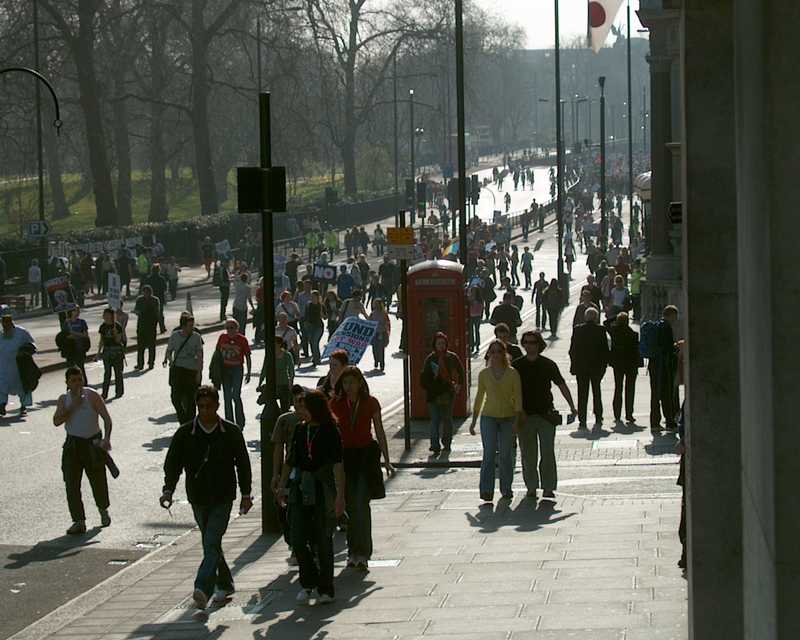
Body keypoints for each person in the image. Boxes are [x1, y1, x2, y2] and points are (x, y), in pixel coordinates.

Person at [161, 386, 252, 611]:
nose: (204, 411)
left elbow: (242, 463)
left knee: (211, 540)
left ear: (217, 406)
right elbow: (173, 464)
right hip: (198, 496)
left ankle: (202, 587)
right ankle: (225, 583)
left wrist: (246, 493)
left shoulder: (230, 431)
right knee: (211, 543)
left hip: (223, 496)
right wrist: (168, 490)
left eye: (208, 407)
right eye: (200, 407)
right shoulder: (185, 433)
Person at [277, 390, 345, 604]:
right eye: (299, 408)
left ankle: (325, 588)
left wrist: (340, 497)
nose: (301, 412)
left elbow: (338, 465)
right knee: (297, 537)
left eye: (304, 408)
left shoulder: (330, 430)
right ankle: (308, 582)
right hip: (299, 488)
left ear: (316, 409)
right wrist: (281, 486)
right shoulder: (299, 429)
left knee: (323, 539)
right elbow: (290, 461)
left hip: (322, 488)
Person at [330, 367, 395, 571]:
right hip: (344, 457)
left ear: (360, 383)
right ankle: (353, 552)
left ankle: (363, 553)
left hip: (365, 455)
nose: (348, 386)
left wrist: (387, 459)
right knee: (350, 506)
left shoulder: (370, 402)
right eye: (345, 382)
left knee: (361, 503)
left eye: (352, 382)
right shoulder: (335, 404)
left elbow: (379, 430)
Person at [514, 331, 576, 501]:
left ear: (539, 344)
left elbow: (561, 385)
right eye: (526, 342)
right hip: (524, 416)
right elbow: (510, 391)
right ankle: (531, 487)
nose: (529, 345)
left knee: (547, 452)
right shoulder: (517, 365)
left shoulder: (548, 364)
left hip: (545, 415)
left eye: (532, 342)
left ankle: (548, 487)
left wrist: (572, 407)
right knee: (528, 454)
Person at [53, 366, 114, 535]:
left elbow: (107, 420)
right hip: (73, 445)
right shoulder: (63, 399)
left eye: (79, 379)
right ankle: (79, 521)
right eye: (73, 380)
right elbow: (56, 421)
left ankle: (103, 509)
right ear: (67, 383)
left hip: (92, 443)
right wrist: (73, 407)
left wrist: (106, 439)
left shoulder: (92, 395)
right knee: (71, 483)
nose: (77, 383)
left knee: (98, 480)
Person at [469, 340, 522, 503]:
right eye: (493, 352)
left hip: (508, 418)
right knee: (489, 454)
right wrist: (474, 420)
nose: (496, 355)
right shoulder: (484, 374)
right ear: (489, 354)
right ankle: (486, 490)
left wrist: (517, 419)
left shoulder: (512, 373)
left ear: (504, 353)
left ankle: (506, 488)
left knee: (506, 455)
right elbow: (479, 397)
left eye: (499, 351)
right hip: (489, 417)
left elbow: (518, 397)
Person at [270, 384, 306, 565]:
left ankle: (301, 546)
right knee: (284, 511)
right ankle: (293, 543)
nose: (299, 408)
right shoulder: (284, 420)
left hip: (308, 473)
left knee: (300, 510)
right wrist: (275, 475)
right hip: (289, 472)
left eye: (302, 403)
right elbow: (278, 448)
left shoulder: (315, 421)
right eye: (296, 403)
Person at [420, 332, 464, 455]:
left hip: (448, 393)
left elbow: (461, 371)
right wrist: (430, 382)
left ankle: (447, 442)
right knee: (434, 420)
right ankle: (434, 445)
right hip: (433, 394)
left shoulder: (452, 357)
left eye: (443, 343)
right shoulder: (430, 359)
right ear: (434, 344)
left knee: (447, 419)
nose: (441, 346)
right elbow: (423, 378)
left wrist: (459, 385)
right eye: (439, 343)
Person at [568, 307, 610, 430]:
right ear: (596, 317)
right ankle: (598, 416)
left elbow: (573, 349)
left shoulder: (578, 330)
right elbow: (605, 350)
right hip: (596, 367)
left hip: (581, 367)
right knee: (597, 392)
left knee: (582, 393)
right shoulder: (601, 330)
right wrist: (604, 365)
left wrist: (573, 365)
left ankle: (582, 420)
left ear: (586, 317)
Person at [164, 315, 204, 425]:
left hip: (191, 371)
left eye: (193, 325)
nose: (192, 327)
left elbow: (200, 355)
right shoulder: (175, 336)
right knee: (175, 398)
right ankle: (183, 420)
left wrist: (199, 372)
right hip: (178, 370)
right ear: (183, 326)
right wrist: (170, 361)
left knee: (191, 399)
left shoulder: (196, 337)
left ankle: (190, 423)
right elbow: (169, 351)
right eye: (190, 325)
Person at [648, 305, 680, 432]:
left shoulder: (657, 325)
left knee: (655, 394)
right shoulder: (666, 327)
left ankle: (654, 423)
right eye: (675, 316)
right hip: (663, 365)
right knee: (666, 393)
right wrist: (676, 348)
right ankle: (670, 422)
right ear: (670, 315)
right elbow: (668, 348)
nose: (675, 319)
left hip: (653, 364)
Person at [215, 319, 252, 428]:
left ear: (237, 328)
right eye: (227, 328)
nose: (229, 330)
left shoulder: (242, 339)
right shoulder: (222, 337)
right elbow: (217, 353)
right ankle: (229, 422)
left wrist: (249, 372)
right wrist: (215, 371)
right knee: (227, 397)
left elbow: (248, 356)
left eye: (231, 328)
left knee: (235, 395)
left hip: (237, 369)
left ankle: (240, 422)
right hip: (225, 369)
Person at [607, 312, 641, 424]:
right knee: (630, 389)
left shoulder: (614, 332)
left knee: (618, 388)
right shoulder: (634, 334)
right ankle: (629, 414)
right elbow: (637, 350)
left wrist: (616, 316)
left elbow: (606, 322)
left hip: (618, 364)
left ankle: (617, 414)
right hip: (631, 365)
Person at [0, 313, 36, 416]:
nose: (5, 325)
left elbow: (32, 345)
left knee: (22, 386)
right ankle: (2, 405)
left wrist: (24, 351)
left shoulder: (21, 332)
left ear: (11, 322)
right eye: (3, 323)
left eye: (7, 323)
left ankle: (23, 406)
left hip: (19, 366)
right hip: (3, 365)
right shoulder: (1, 334)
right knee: (1, 386)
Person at [259, 337, 296, 413]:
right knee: (270, 406)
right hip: (272, 383)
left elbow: (291, 370)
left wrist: (290, 382)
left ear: (279, 344)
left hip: (284, 383)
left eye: (274, 343)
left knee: (284, 407)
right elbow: (264, 369)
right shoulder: (269, 355)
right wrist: (260, 382)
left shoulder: (287, 355)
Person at [96, 308, 125, 399]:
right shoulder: (103, 327)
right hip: (107, 351)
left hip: (116, 351)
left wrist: (116, 333)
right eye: (104, 315)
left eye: (107, 315)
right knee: (107, 373)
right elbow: (102, 341)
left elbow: (118, 340)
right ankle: (104, 393)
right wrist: (98, 352)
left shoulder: (117, 326)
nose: (105, 316)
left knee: (118, 372)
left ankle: (119, 391)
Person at [133, 285, 160, 370]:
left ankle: (151, 363)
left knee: (151, 346)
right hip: (141, 326)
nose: (146, 294)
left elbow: (157, 312)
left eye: (148, 292)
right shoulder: (139, 300)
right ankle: (140, 364)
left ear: (151, 293)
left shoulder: (155, 300)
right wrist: (137, 312)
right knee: (140, 347)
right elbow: (136, 310)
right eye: (145, 292)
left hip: (151, 325)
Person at [64, 306, 90, 383]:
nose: (77, 312)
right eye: (75, 310)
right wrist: (74, 335)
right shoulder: (67, 323)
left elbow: (85, 335)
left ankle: (84, 384)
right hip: (70, 349)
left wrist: (74, 334)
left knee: (80, 367)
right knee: (70, 368)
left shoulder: (82, 322)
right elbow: (65, 336)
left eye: (78, 311)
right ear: (71, 312)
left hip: (80, 348)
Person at [304, 290, 326, 367]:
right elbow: (306, 315)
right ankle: (316, 357)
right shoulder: (308, 305)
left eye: (314, 297)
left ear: (318, 297)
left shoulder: (321, 306)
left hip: (318, 326)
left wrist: (322, 314)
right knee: (312, 343)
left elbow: (325, 317)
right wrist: (305, 324)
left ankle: (316, 359)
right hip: (310, 326)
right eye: (312, 297)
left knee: (314, 342)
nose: (313, 298)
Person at [145, 263, 168, 333]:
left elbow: (146, 288)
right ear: (159, 270)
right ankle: (162, 328)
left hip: (150, 298)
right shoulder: (162, 279)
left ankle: (151, 328)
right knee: (160, 314)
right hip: (160, 298)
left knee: (151, 314)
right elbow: (165, 288)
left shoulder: (148, 279)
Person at [369, 299, 390, 372]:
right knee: (374, 349)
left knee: (381, 349)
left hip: (381, 332)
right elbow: (369, 322)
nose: (376, 306)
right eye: (375, 304)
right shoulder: (372, 313)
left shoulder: (384, 313)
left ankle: (382, 364)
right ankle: (376, 360)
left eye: (377, 304)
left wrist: (385, 331)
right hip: (374, 333)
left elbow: (387, 323)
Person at [232, 272, 254, 336]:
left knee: (235, 323)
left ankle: (234, 335)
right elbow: (249, 298)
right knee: (242, 324)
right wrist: (252, 307)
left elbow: (235, 279)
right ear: (246, 279)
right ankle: (242, 336)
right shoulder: (247, 287)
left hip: (235, 305)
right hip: (243, 307)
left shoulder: (237, 285)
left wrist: (238, 276)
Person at [467, 286, 483, 354]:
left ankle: (477, 345)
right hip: (471, 316)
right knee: (470, 331)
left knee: (476, 330)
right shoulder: (470, 298)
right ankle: (472, 345)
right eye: (472, 291)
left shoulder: (479, 299)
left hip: (477, 316)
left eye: (473, 291)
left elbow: (482, 307)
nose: (472, 292)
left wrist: (481, 315)